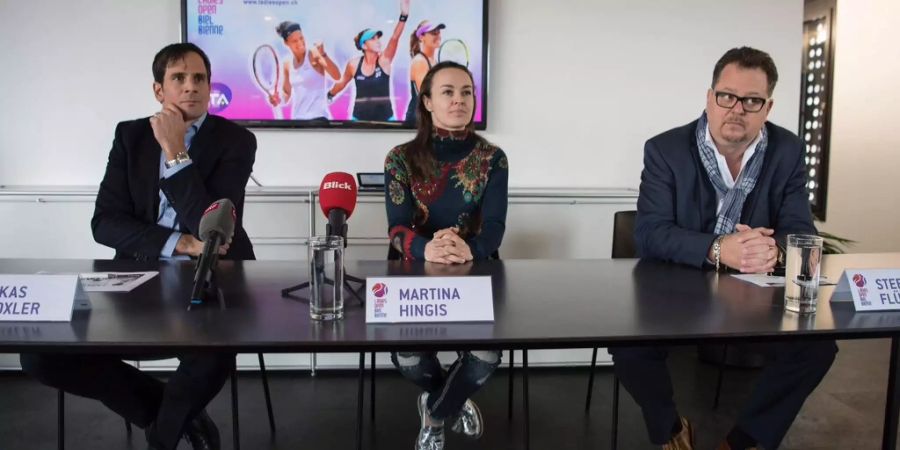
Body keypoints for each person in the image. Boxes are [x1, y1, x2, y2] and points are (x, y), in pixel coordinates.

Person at [19, 42, 257, 450]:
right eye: (178, 78)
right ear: (158, 91)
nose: (191, 87)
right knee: (41, 355)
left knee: (213, 354)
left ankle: (162, 438)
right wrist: (177, 242)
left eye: (199, 78)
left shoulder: (236, 141)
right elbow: (105, 223)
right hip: (136, 278)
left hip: (210, 280)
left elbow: (211, 225)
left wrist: (176, 152)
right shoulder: (130, 136)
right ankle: (166, 413)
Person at [612, 47, 837, 450]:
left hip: (754, 294)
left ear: (767, 107)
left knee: (816, 347)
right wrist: (720, 249)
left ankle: (746, 440)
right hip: (676, 288)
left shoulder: (786, 151)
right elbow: (650, 232)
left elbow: (800, 229)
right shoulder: (666, 150)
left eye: (751, 101)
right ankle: (672, 433)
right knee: (627, 340)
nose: (737, 109)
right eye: (726, 96)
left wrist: (774, 252)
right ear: (709, 97)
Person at [383, 61, 508, 449]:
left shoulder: (493, 158)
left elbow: (495, 226)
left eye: (466, 92)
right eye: (448, 92)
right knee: (408, 358)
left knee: (486, 356)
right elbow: (398, 227)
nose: (459, 100)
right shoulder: (399, 158)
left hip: (475, 270)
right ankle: (450, 399)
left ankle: (435, 414)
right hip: (414, 274)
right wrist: (429, 248)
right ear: (428, 102)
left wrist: (468, 248)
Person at [328, 0, 410, 121]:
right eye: (372, 38)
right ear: (364, 46)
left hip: (386, 121)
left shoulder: (384, 61)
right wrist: (329, 95)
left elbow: (394, 38)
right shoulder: (354, 65)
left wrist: (404, 16)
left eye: (378, 38)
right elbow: (342, 83)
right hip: (359, 121)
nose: (378, 41)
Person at [269, 21, 341, 120]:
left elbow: (337, 76)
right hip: (298, 120)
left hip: (318, 118)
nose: (300, 43)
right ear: (286, 43)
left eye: (301, 38)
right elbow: (286, 93)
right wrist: (278, 99)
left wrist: (323, 54)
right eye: (294, 41)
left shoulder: (313, 54)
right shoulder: (287, 63)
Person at [404, 20, 445, 124]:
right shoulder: (420, 62)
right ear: (422, 37)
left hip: (427, 118)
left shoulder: (434, 61)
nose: (438, 35)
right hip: (417, 120)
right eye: (433, 33)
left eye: (438, 32)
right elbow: (426, 94)